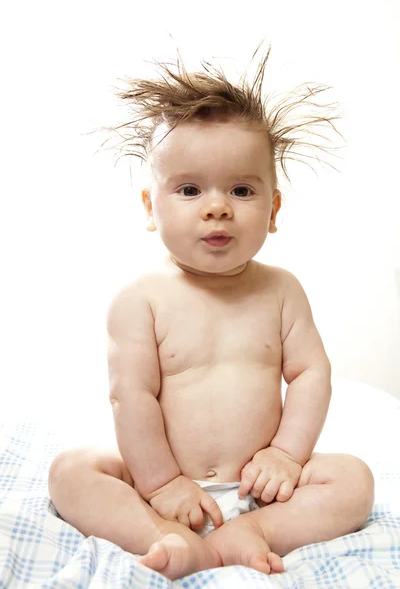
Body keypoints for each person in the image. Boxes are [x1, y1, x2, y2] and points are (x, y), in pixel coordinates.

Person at [48, 48, 374, 581]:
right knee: (72, 471)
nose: (217, 206)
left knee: (354, 481)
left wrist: (288, 457)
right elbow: (130, 397)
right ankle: (164, 538)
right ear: (152, 208)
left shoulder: (282, 291)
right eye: (190, 189)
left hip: (262, 489)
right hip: (166, 490)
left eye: (241, 189)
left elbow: (311, 373)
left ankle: (255, 533)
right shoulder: (141, 299)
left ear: (272, 210)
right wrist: (160, 485)